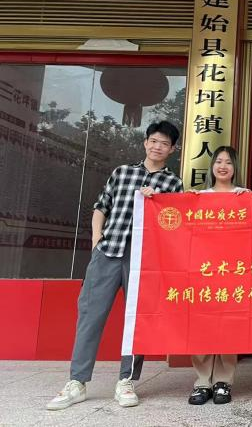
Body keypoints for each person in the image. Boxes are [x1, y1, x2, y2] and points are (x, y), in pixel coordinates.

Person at [46, 121, 183, 411]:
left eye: (164, 143)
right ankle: (77, 382)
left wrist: (157, 201)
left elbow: (174, 223)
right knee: (90, 316)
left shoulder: (173, 183)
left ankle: (126, 381)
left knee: (137, 320)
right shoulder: (122, 172)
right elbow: (101, 206)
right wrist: (96, 240)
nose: (157, 147)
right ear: (145, 142)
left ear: (172, 149)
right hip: (108, 251)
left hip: (143, 260)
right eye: (154, 141)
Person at [187, 146, 249, 406]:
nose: (223, 166)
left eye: (228, 162)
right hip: (203, 271)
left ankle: (223, 381)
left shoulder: (244, 196)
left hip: (233, 272)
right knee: (202, 324)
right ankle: (202, 381)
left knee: (228, 324)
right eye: (219, 161)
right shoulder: (199, 197)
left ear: (235, 168)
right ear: (212, 166)